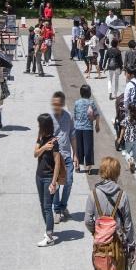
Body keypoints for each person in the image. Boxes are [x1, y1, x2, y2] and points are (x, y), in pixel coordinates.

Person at [85, 157, 135, 270]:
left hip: (100, 248)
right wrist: (131, 247)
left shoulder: (93, 195)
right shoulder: (123, 196)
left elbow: (88, 220)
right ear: (116, 173)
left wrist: (97, 233)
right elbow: (128, 225)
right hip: (118, 250)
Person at [34, 113, 66, 246]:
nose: (38, 126)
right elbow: (35, 154)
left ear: (44, 126)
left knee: (47, 207)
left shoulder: (54, 142)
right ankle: (48, 229)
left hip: (48, 178)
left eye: (39, 124)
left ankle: (49, 236)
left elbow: (57, 163)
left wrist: (54, 182)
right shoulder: (40, 138)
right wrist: (43, 148)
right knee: (42, 205)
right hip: (39, 176)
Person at [50, 91, 75, 223]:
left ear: (62, 104)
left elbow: (72, 135)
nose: (55, 106)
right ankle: (57, 211)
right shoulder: (50, 119)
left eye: (58, 104)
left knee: (69, 181)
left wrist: (75, 154)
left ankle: (63, 206)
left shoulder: (69, 116)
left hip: (67, 155)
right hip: (54, 157)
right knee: (56, 184)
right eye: (54, 104)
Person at [73, 83, 98, 173]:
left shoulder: (77, 102)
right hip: (88, 128)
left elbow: (74, 116)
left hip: (78, 128)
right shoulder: (91, 102)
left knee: (78, 147)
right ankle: (88, 167)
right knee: (88, 147)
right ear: (89, 93)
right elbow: (97, 114)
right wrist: (97, 125)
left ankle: (77, 166)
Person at [117, 101, 136, 173]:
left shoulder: (126, 119)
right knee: (135, 153)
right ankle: (132, 165)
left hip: (128, 139)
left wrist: (120, 138)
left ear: (129, 111)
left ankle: (130, 161)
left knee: (127, 152)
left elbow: (122, 129)